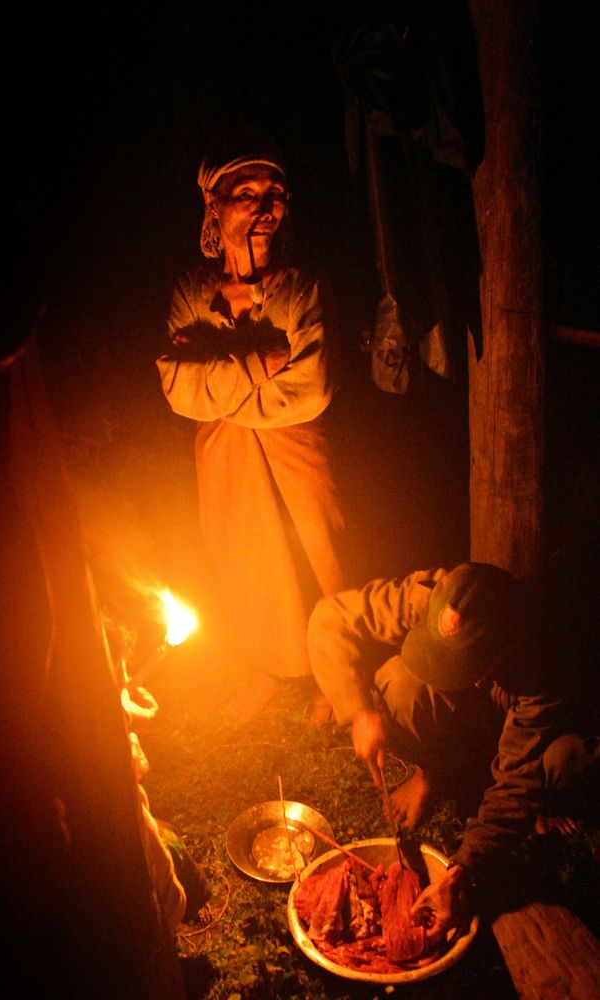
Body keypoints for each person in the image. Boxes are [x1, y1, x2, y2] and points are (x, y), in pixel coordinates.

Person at [156, 127, 345, 722]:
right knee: (249, 557)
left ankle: (340, 671)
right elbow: (178, 390)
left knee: (321, 552)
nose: (267, 207)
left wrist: (217, 372)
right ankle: (273, 664)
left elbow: (309, 390)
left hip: (300, 448)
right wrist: (258, 361)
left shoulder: (300, 287)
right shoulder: (191, 290)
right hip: (225, 455)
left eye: (276, 192)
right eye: (248, 192)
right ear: (214, 204)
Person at [307, 562, 599, 941]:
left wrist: (461, 870)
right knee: (400, 686)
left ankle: (544, 805)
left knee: (560, 761)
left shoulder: (544, 662)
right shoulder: (433, 595)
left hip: (542, 727)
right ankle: (432, 774)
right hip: (478, 704)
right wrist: (358, 710)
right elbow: (330, 617)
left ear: (502, 645)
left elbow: (515, 785)